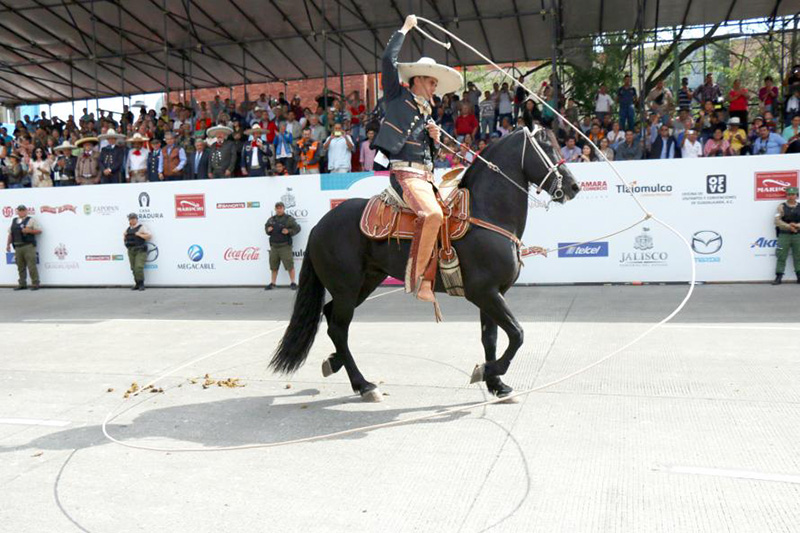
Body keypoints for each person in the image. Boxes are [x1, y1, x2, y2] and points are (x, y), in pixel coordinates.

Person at [371, 15, 459, 303]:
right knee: (432, 214)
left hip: (426, 175)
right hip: (405, 175)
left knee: (451, 214)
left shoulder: (427, 115)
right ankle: (421, 280)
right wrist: (405, 29)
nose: (435, 88)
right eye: (432, 82)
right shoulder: (397, 97)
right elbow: (387, 60)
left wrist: (435, 140)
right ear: (418, 80)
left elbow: (427, 156)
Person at [264, 201, 301, 290]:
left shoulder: (289, 219)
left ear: (284, 208)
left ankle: (293, 282)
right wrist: (267, 230)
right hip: (274, 247)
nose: (279, 210)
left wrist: (289, 231)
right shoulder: (271, 219)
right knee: (273, 266)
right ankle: (273, 283)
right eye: (277, 208)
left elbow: (298, 228)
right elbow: (266, 228)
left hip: (285, 246)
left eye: (280, 208)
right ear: (275, 209)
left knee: (289, 265)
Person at [6, 205, 42, 291]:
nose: (21, 212)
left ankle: (35, 283)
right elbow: (11, 234)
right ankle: (22, 284)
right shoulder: (14, 221)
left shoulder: (31, 220)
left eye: (23, 210)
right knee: (20, 266)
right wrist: (8, 244)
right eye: (20, 210)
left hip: (28, 246)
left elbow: (39, 231)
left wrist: (29, 231)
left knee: (31, 266)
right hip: (17, 246)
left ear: (26, 211)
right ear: (17, 211)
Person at [772, 187, 800, 285]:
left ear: (797, 195)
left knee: (798, 256)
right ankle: (778, 277)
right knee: (781, 256)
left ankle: (799, 276)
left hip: (798, 235)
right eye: (789, 194)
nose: (791, 196)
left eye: (793, 194)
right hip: (784, 235)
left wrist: (797, 225)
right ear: (786, 195)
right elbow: (777, 221)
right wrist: (788, 226)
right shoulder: (781, 207)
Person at [123, 213, 151, 291]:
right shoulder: (128, 229)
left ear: (136, 219)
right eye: (131, 219)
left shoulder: (141, 227)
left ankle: (141, 284)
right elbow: (124, 237)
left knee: (138, 267)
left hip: (140, 250)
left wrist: (139, 234)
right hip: (131, 250)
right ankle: (137, 284)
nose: (133, 220)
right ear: (129, 220)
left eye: (134, 218)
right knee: (133, 268)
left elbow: (149, 236)